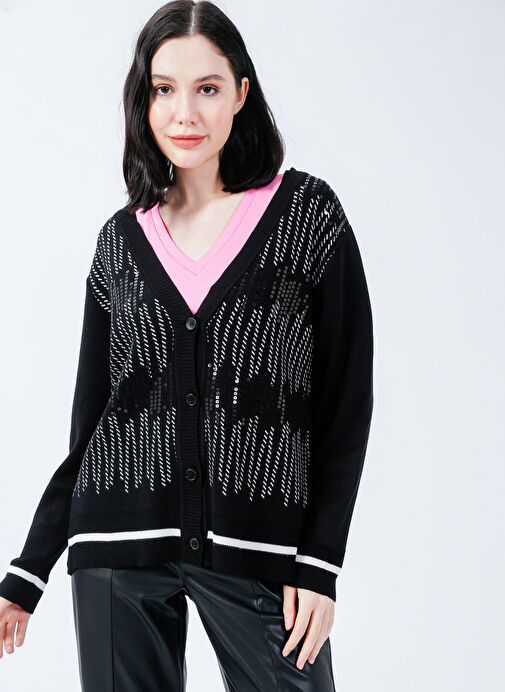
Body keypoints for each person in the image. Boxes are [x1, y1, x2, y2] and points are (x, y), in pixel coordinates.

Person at [0, 1, 374, 689]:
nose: (184, 114)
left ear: (240, 93)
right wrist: (29, 571)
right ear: (143, 101)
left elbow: (345, 401)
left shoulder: (306, 216)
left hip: (262, 548)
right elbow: (92, 425)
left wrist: (320, 563)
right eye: (163, 89)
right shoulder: (120, 240)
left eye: (206, 88)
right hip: (116, 546)